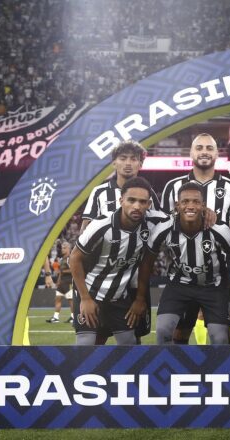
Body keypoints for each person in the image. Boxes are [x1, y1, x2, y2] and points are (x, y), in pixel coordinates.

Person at [160, 133, 230, 344]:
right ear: (191, 153)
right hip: (182, 274)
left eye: (209, 148)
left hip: (219, 277)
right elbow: (162, 229)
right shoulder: (172, 187)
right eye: (199, 148)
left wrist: (218, 248)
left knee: (221, 335)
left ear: (217, 153)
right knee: (178, 333)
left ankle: (221, 375)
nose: (204, 152)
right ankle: (178, 374)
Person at [80, 139, 161, 344]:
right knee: (96, 335)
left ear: (140, 164)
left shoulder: (148, 194)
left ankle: (132, 374)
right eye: (122, 158)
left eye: (134, 159)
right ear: (113, 163)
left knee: (133, 334)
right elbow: (85, 229)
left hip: (132, 277)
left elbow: (157, 227)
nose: (128, 163)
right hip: (100, 274)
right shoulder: (99, 192)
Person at [138, 183, 230, 345]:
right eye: (185, 202)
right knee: (162, 331)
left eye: (196, 202)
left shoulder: (220, 230)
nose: (190, 206)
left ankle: (220, 370)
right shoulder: (164, 228)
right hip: (179, 285)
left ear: (203, 206)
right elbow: (147, 263)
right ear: (178, 205)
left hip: (214, 287)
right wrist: (140, 298)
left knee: (220, 338)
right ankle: (171, 369)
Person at [46, 241, 73, 323]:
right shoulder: (62, 259)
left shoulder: (70, 258)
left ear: (68, 249)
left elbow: (73, 270)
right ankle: (56, 317)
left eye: (64, 248)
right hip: (62, 283)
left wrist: (62, 271)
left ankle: (73, 317)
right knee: (57, 299)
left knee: (70, 300)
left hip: (69, 283)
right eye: (62, 248)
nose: (62, 250)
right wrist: (58, 281)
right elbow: (61, 273)